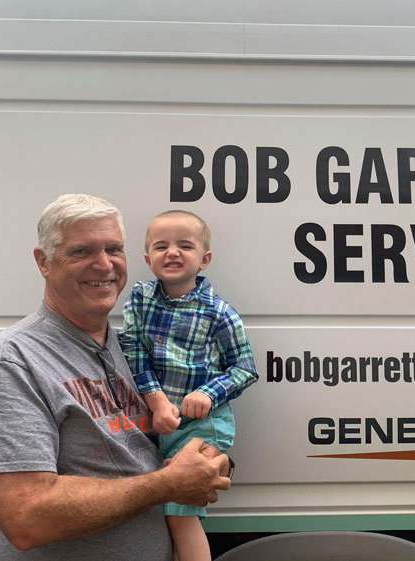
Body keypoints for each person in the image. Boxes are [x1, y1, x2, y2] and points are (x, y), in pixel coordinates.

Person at [0, 194, 231, 560]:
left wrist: (209, 463)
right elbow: (27, 517)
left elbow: (168, 448)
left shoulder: (133, 349)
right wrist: (169, 483)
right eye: (82, 251)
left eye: (114, 249)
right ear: (43, 262)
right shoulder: (9, 362)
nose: (104, 265)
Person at [120, 210, 258, 561]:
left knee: (179, 513)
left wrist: (207, 394)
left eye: (185, 245)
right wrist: (156, 401)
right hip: (155, 420)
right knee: (153, 510)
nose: (173, 252)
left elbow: (245, 368)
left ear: (204, 259)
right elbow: (134, 351)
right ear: (148, 258)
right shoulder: (140, 298)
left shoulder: (219, 312)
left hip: (200, 425)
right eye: (161, 245)